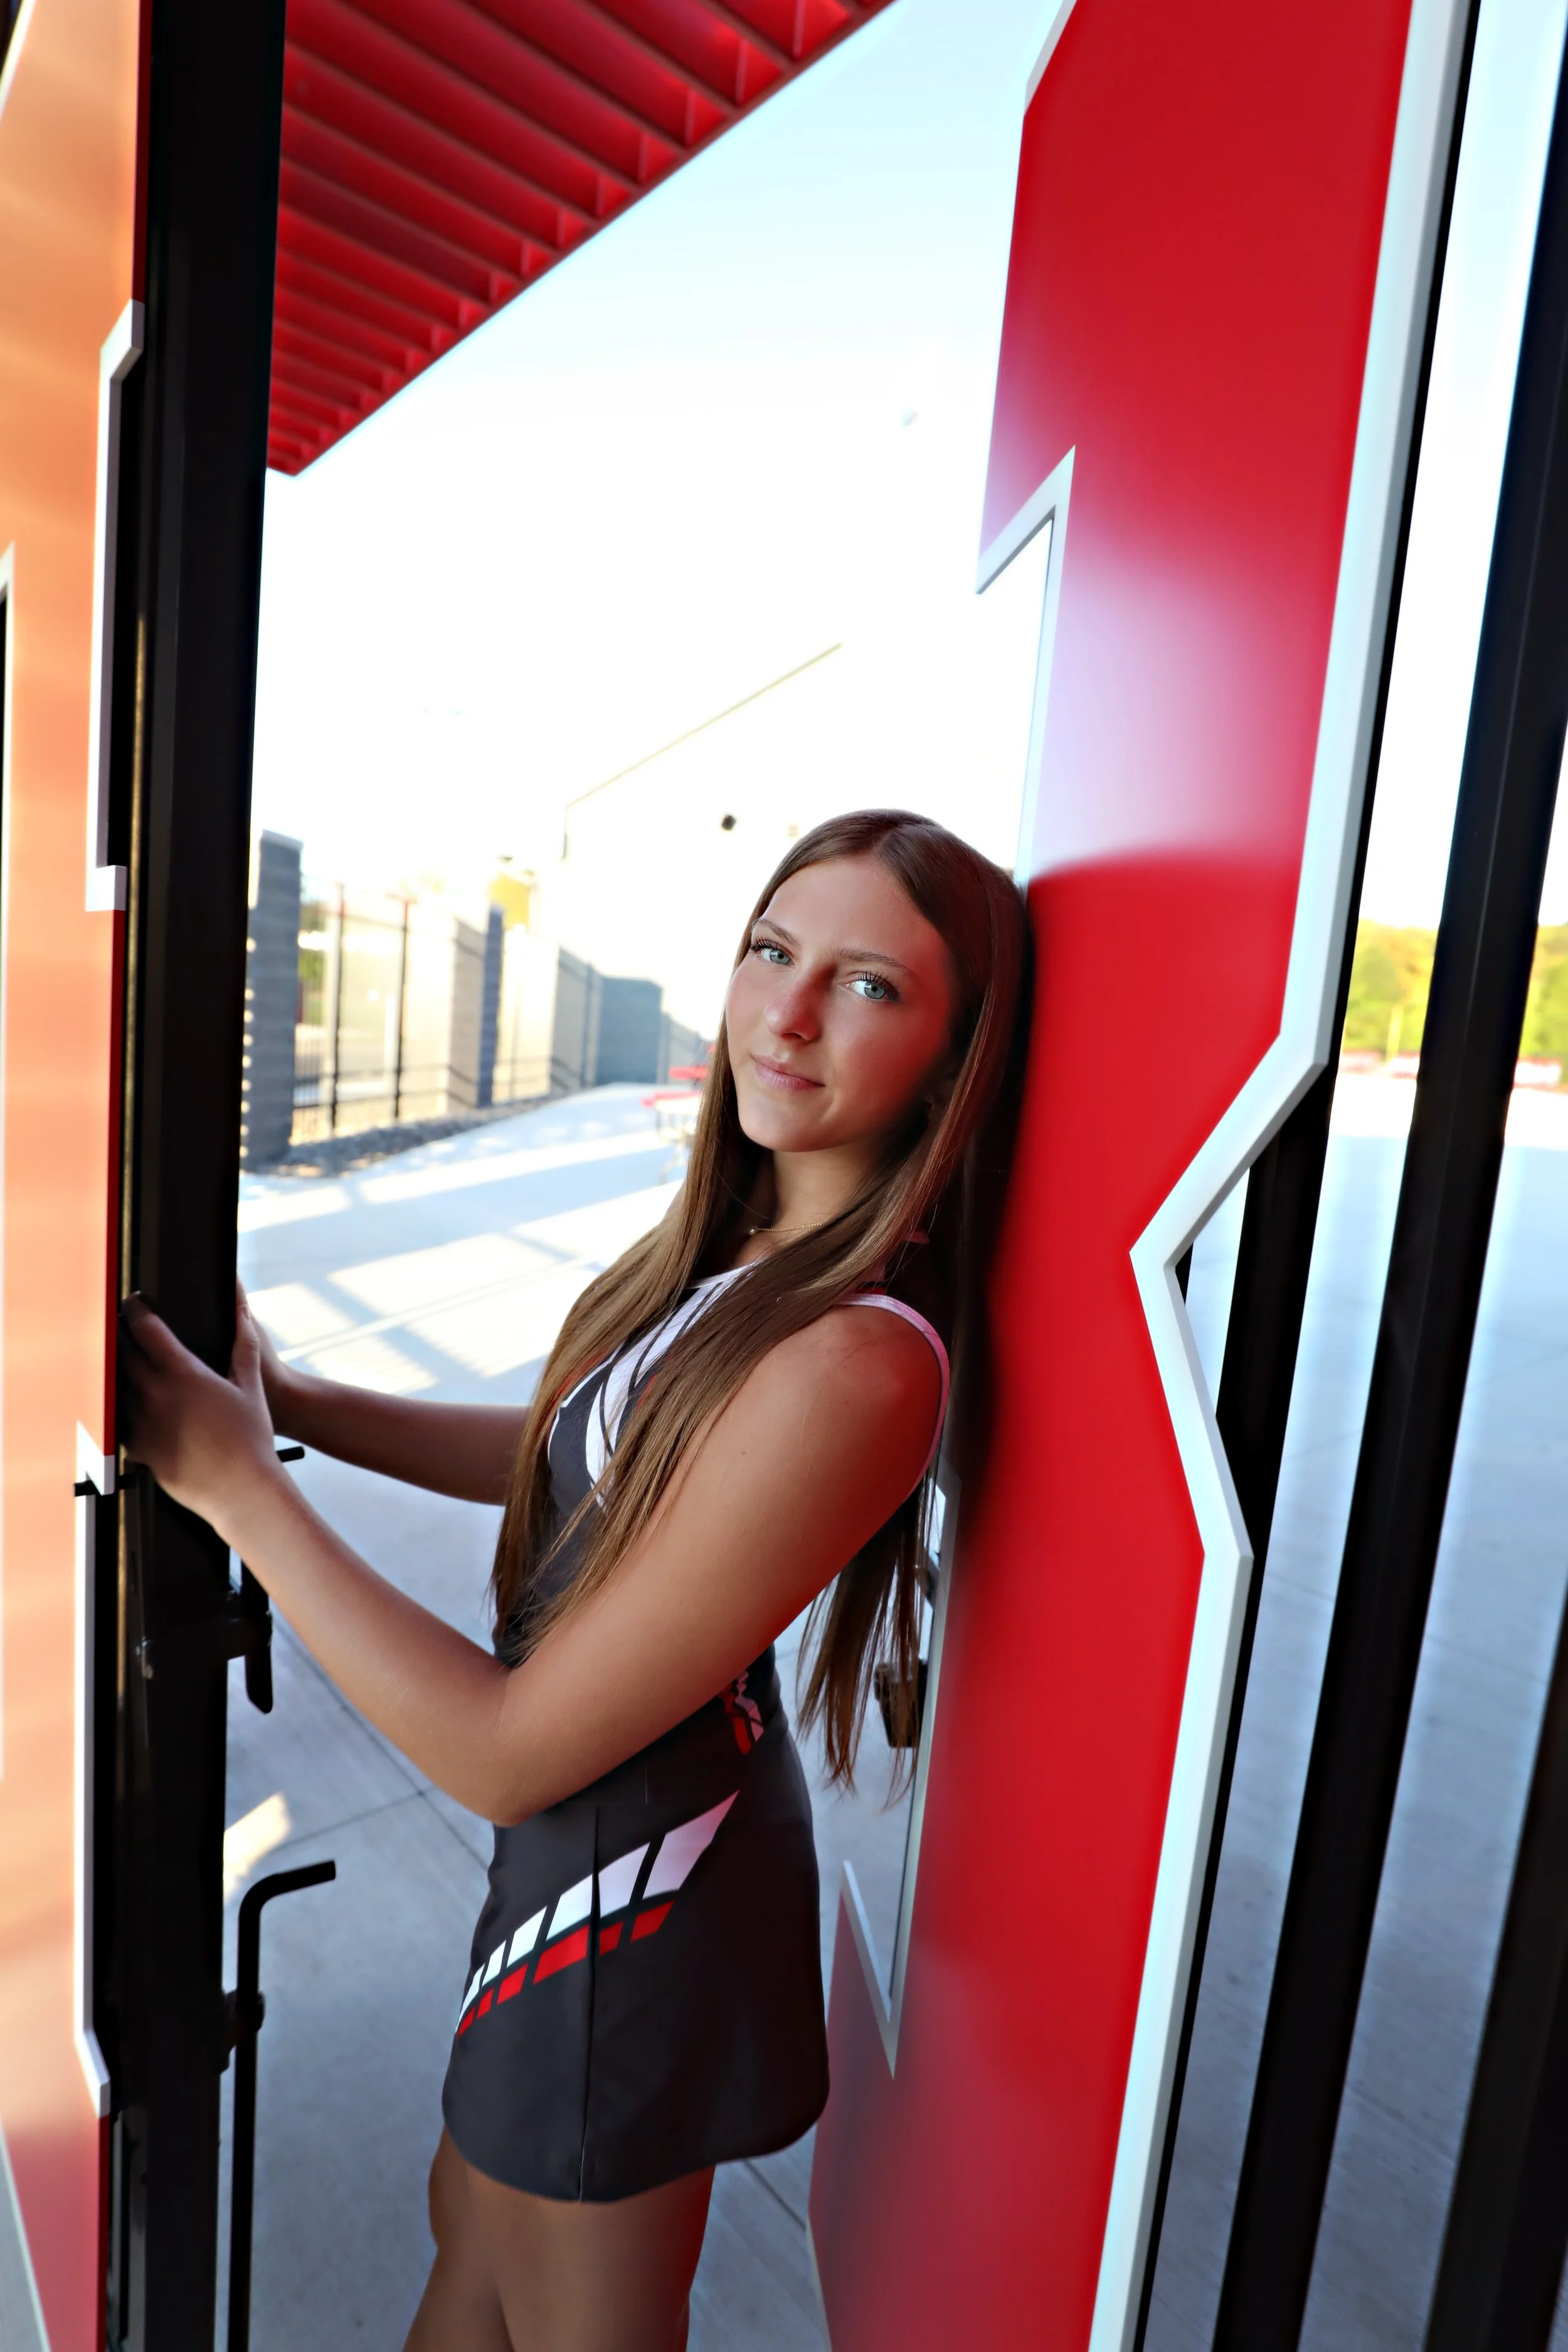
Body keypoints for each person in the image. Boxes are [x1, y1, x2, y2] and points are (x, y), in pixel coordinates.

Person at [120, 807, 1029, 2352]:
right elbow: (577, 1457)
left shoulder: (858, 1360)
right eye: (770, 951)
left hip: (634, 1917)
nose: (788, 1013)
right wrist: (300, 1407)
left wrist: (237, 1488)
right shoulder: (745, 1261)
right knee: (465, 2253)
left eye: (867, 984)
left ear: (951, 1064)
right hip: (576, 1884)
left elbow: (505, 1745)